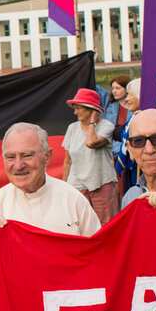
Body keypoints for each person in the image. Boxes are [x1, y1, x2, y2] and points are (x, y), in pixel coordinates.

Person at [0, 123, 101, 236]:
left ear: (47, 156)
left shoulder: (73, 200)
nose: (18, 165)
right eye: (10, 157)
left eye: (27, 155)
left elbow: (97, 250)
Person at [61, 87, 119, 224]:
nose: (75, 112)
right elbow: (67, 161)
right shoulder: (72, 128)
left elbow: (91, 142)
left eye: (78, 108)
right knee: (81, 224)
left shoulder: (106, 126)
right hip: (77, 185)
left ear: (90, 109)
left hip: (101, 182)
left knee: (106, 225)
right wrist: (64, 186)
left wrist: (92, 122)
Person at [114, 78, 142, 192]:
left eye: (130, 95)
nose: (127, 99)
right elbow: (120, 134)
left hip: (141, 170)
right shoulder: (133, 117)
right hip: (130, 167)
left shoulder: (148, 118)